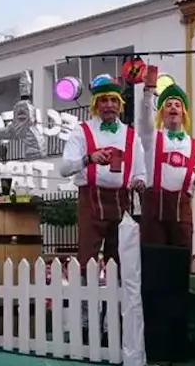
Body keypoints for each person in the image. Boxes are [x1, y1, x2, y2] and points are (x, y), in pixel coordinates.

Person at [58, 74, 146, 268]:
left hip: (121, 202)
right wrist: (88, 159)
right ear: (96, 105)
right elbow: (64, 169)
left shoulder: (131, 136)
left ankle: (117, 298)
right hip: (90, 201)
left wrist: (139, 181)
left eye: (114, 100)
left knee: (119, 260)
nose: (109, 105)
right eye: (104, 100)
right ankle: (83, 297)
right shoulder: (82, 131)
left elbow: (140, 172)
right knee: (86, 260)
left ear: (120, 104)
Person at [137, 74, 195, 248]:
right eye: (168, 105)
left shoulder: (194, 145)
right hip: (153, 212)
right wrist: (148, 93)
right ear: (162, 113)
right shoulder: (152, 137)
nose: (173, 108)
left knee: (180, 264)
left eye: (177, 105)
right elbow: (145, 121)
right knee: (154, 263)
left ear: (183, 112)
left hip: (182, 214)